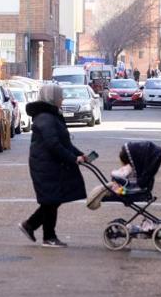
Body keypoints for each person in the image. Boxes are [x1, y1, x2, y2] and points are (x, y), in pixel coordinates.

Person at [19, 84, 88, 247]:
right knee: (51, 200)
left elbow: (64, 143)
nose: (62, 99)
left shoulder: (51, 115)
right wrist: (73, 159)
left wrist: (79, 154)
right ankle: (47, 236)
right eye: (60, 96)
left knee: (52, 200)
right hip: (46, 166)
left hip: (51, 164)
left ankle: (31, 226)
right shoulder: (46, 118)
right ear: (52, 98)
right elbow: (54, 145)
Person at [86, 145, 135, 210]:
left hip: (125, 189)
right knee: (106, 187)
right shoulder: (132, 167)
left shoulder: (128, 167)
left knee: (104, 188)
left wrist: (113, 173)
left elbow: (121, 175)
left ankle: (93, 201)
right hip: (126, 186)